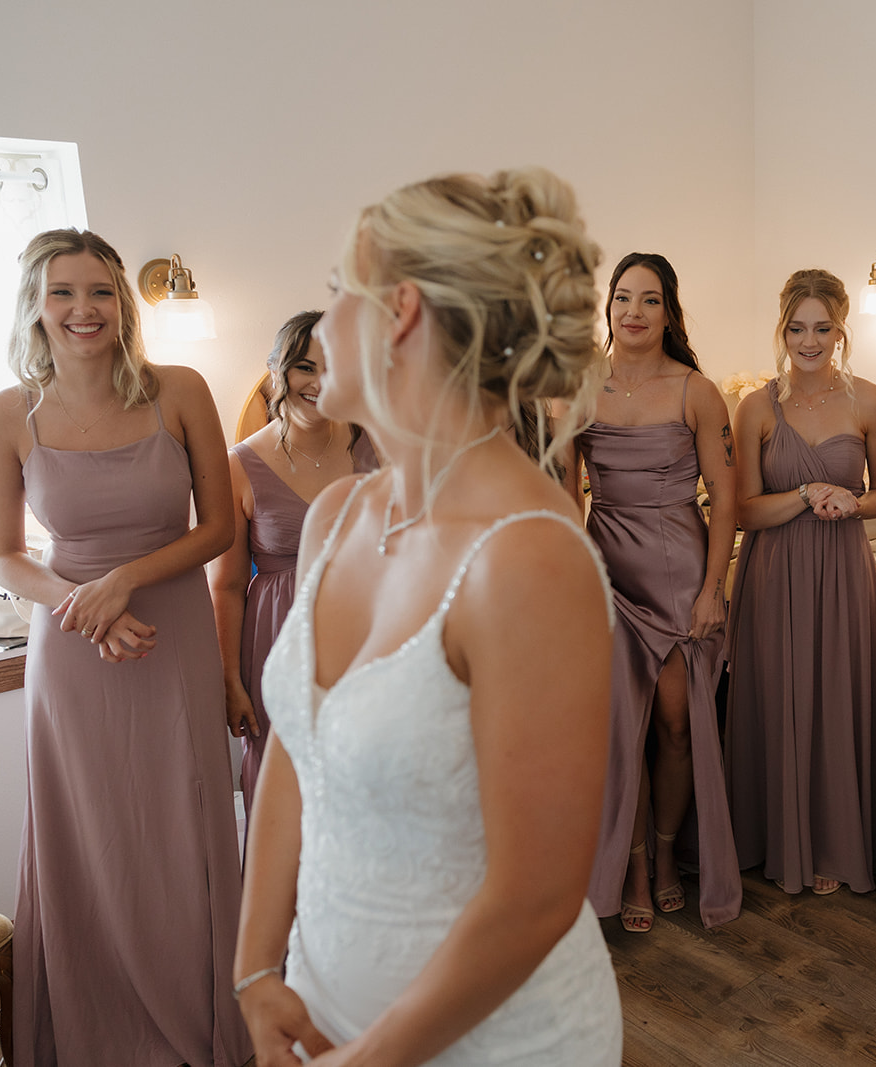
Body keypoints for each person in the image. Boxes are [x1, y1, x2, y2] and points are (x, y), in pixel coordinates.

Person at [233, 168, 622, 1065]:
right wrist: (255, 969)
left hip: (495, 1042)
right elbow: (296, 747)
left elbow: (535, 896)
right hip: (321, 1001)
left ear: (400, 312)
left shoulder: (527, 556)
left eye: (339, 292)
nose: (321, 327)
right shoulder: (338, 516)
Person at [0, 229, 250, 1065]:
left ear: (123, 304)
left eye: (99, 291)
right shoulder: (6, 414)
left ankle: (203, 1023)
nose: (82, 309)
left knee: (184, 825)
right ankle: (96, 1034)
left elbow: (219, 527)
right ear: (35, 305)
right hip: (72, 651)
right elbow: (3, 556)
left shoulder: (181, 390)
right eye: (62, 292)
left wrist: (125, 580)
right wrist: (84, 604)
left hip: (173, 636)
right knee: (87, 837)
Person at [572, 252, 742, 932]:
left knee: (675, 727)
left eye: (648, 299)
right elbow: (562, 490)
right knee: (622, 731)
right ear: (608, 307)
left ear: (668, 312)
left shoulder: (696, 391)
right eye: (622, 297)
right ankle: (636, 866)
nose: (633, 311)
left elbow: (725, 499)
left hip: (678, 575)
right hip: (606, 574)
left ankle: (669, 850)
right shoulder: (580, 386)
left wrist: (713, 589)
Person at [726, 268, 876, 896]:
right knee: (779, 698)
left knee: (836, 698)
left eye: (822, 328)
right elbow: (744, 511)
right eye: (797, 328)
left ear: (841, 330)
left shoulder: (870, 401)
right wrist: (804, 493)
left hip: (843, 570)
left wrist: (853, 501)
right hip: (774, 572)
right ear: (782, 329)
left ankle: (833, 840)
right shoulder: (756, 407)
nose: (809, 341)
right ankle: (777, 836)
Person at [209, 311, 378, 825]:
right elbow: (227, 585)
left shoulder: (375, 445)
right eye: (306, 367)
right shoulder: (238, 465)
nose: (320, 383)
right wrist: (231, 679)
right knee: (285, 795)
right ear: (277, 370)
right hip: (277, 641)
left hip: (367, 638)